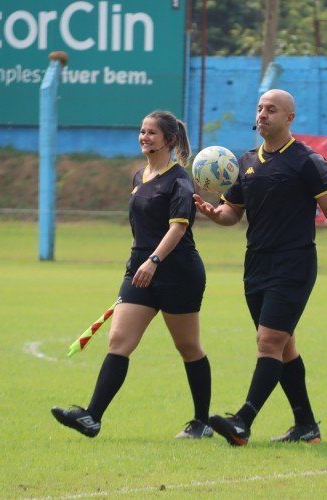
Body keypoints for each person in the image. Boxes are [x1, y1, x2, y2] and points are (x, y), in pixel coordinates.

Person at [194, 89, 327, 446]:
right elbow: (232, 213)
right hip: (256, 263)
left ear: (289, 118)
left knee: (269, 340)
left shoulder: (306, 160)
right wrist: (215, 215)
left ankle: (242, 421)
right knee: (284, 345)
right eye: (259, 108)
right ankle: (306, 426)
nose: (262, 115)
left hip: (295, 263)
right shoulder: (245, 162)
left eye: (271, 110)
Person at [51, 110, 213, 440]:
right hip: (139, 270)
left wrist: (154, 260)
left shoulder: (180, 179)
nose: (144, 137)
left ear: (169, 140)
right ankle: (92, 417)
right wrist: (140, 262)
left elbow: (178, 229)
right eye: (142, 131)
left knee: (188, 346)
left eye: (152, 133)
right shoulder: (139, 176)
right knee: (118, 340)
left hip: (178, 272)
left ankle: (201, 422)